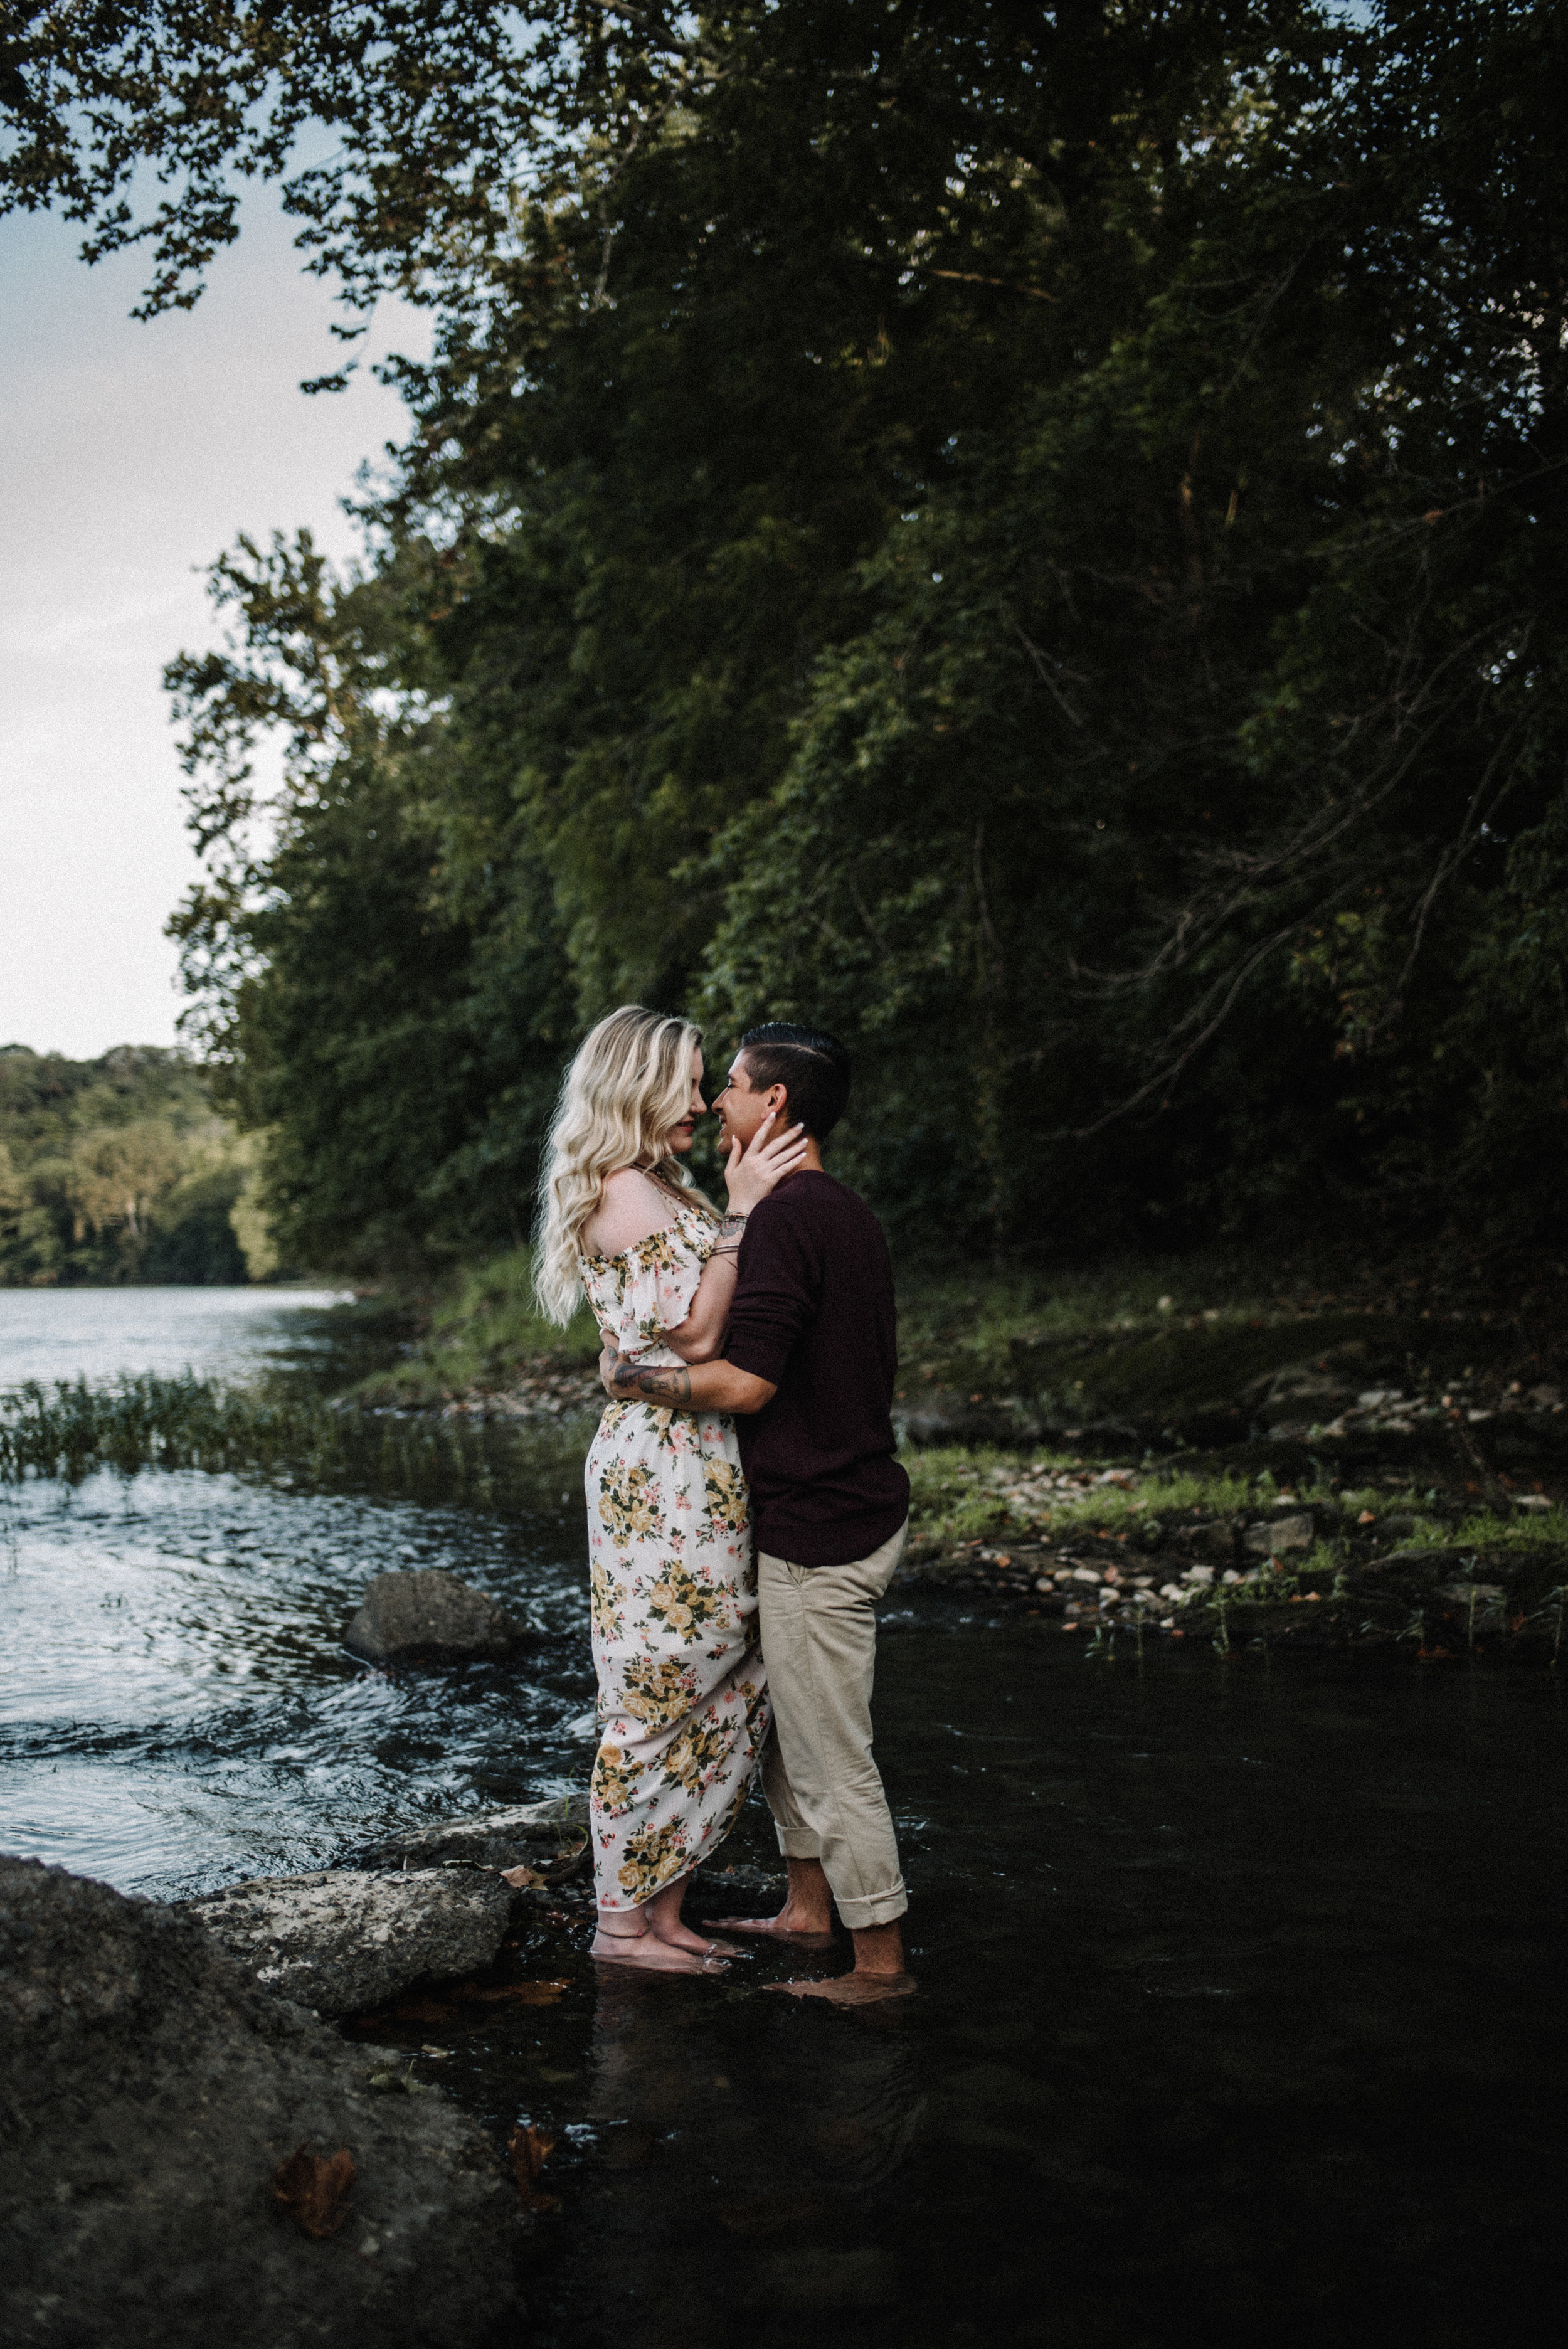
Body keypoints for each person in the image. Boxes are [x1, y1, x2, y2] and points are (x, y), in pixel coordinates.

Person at [600, 1023, 915, 2005]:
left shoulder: (781, 1221)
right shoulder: (845, 1211)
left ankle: (878, 1969)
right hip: (842, 1503)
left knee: (830, 1755)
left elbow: (742, 1382)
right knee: (787, 1732)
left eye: (727, 1086)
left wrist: (631, 1374)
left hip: (823, 1523)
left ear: (774, 1105)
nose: (711, 1103)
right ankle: (810, 1908)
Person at [535, 1005, 808, 1974]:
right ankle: (620, 1928)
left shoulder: (663, 1187)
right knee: (658, 1687)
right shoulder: (620, 1191)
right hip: (661, 1465)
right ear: (637, 1086)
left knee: (724, 1680)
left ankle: (666, 1909)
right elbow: (696, 1337)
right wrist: (739, 1216)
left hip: (704, 1455)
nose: (700, 1102)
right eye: (687, 1083)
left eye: (705, 1082)